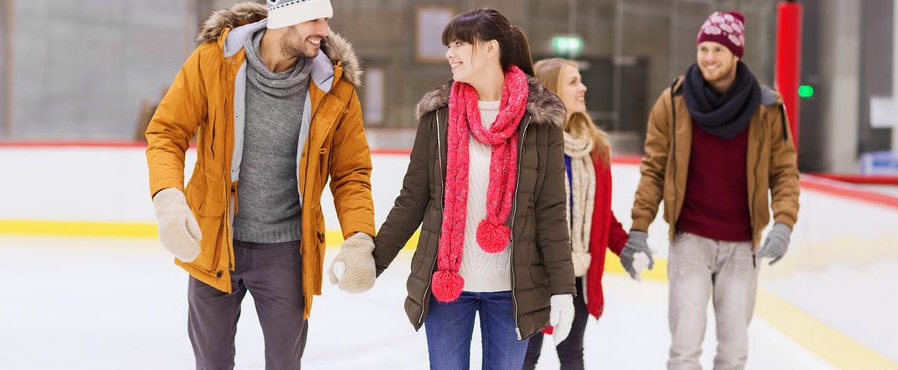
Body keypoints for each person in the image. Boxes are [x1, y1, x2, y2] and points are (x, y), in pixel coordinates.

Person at [329, 8, 575, 370]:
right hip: (447, 287)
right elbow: (412, 200)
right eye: (450, 44)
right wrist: (373, 262)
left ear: (491, 49)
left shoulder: (539, 121)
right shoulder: (439, 116)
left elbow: (551, 210)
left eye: (459, 43)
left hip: (514, 290)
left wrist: (562, 287)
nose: (450, 53)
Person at [144, 1, 375, 368]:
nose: (325, 30)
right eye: (315, 19)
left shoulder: (334, 87)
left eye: (326, 19)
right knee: (212, 363)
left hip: (285, 253)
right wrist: (169, 201)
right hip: (215, 243)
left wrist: (359, 238)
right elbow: (166, 133)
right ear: (283, 20)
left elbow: (351, 173)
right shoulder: (214, 61)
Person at [628, 10, 800, 370]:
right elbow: (654, 170)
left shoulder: (767, 108)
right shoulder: (673, 102)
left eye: (718, 50)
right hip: (690, 239)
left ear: (736, 54)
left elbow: (784, 172)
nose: (708, 57)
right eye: (703, 48)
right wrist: (639, 228)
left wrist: (783, 223)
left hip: (741, 243)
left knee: (734, 351)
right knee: (685, 349)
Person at [521, 58, 652, 370]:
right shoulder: (530, 143)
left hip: (577, 273)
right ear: (551, 90)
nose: (583, 87)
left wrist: (626, 248)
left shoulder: (595, 148)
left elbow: (599, 214)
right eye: (573, 82)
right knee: (525, 357)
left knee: (571, 355)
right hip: (533, 275)